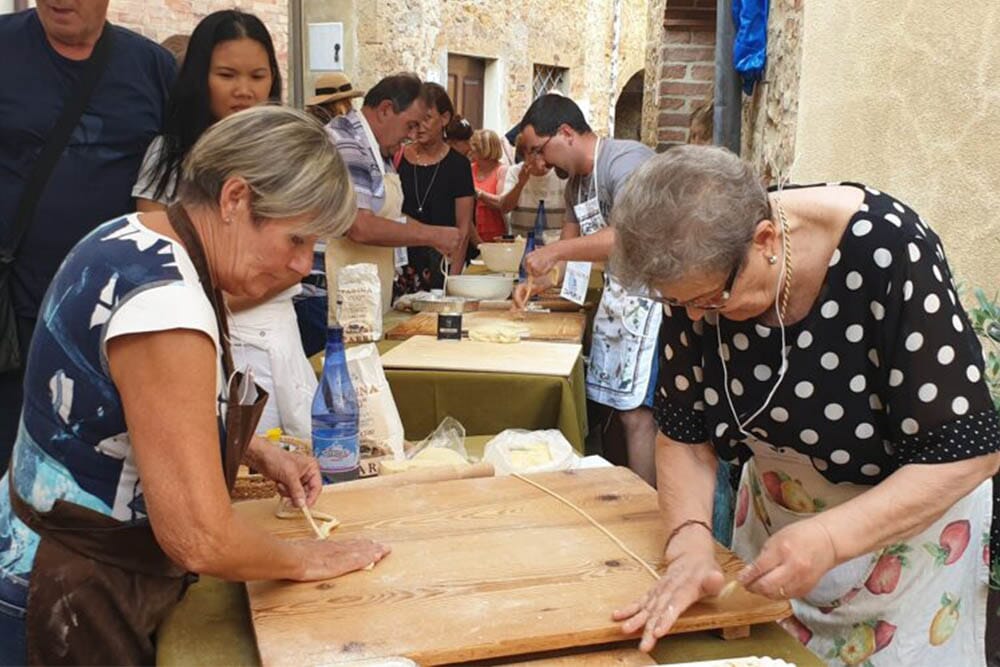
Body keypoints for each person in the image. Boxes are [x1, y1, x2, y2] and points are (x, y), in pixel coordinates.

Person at [0, 106, 389, 666]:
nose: (304, 266)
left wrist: (259, 452)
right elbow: (198, 537)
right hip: (61, 589)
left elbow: (134, 407)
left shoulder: (133, 237)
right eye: (296, 239)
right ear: (235, 200)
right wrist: (307, 559)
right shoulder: (167, 306)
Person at [610, 145, 1000, 666]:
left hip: (904, 537)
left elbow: (969, 453)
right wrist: (689, 540)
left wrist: (832, 537)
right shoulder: (697, 274)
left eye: (709, 302)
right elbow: (685, 434)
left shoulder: (889, 248)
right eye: (678, 305)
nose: (697, 319)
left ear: (765, 241)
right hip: (781, 523)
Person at [0, 1, 176, 474]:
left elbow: (183, 178)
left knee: (89, 471)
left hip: (109, 318)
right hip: (10, 315)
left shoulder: (152, 69)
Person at [132, 10, 313, 438]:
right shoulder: (169, 154)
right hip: (197, 338)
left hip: (277, 336)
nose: (244, 91)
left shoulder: (284, 157)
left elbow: (294, 264)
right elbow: (155, 265)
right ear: (200, 77)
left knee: (294, 461)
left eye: (258, 76)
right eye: (227, 74)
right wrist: (213, 305)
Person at [514, 94, 659, 485]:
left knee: (637, 416)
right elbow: (568, 258)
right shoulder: (575, 187)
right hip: (618, 300)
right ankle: (615, 492)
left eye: (540, 150)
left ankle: (646, 508)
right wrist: (539, 282)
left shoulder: (627, 161)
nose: (540, 164)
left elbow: (631, 235)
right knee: (609, 410)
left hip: (655, 303)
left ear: (565, 133)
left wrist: (555, 251)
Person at [310, 74, 461, 350]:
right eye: (411, 125)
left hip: (360, 295)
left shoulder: (380, 151)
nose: (413, 135)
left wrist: (435, 235)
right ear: (385, 110)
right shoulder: (347, 143)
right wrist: (430, 234)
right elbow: (360, 226)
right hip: (330, 297)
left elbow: (390, 218)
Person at [394, 82, 474, 296]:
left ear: (445, 118)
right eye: (415, 120)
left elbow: (463, 228)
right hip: (401, 264)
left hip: (442, 263)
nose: (419, 126)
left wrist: (453, 281)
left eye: (427, 118)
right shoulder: (397, 158)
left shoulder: (459, 165)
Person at [498, 132, 567, 239]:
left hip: (554, 246)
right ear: (524, 154)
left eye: (542, 151)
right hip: (521, 245)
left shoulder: (561, 174)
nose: (540, 156)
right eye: (534, 152)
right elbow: (504, 208)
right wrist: (520, 184)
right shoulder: (515, 172)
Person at [469, 129, 508, 244]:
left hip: (496, 234)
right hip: (472, 235)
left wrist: (478, 193)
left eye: (475, 148)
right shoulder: (469, 168)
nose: (471, 151)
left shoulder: (501, 170)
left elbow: (502, 202)